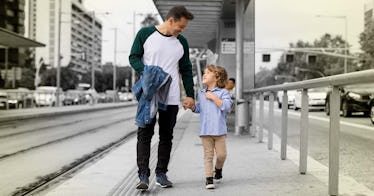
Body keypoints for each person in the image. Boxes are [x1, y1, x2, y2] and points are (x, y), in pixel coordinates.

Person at [129, 5, 195, 190]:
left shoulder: (181, 42)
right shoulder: (145, 34)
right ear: (171, 20)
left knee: (166, 136)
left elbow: (186, 70)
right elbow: (134, 57)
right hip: (149, 94)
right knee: (145, 134)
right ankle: (143, 175)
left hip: (171, 96)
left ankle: (161, 174)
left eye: (183, 28)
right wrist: (147, 72)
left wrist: (190, 95)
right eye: (180, 27)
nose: (181, 31)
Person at [189, 65, 232, 189]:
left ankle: (218, 169)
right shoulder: (201, 93)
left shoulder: (223, 92)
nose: (204, 74)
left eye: (208, 73)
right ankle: (209, 179)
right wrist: (191, 106)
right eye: (204, 72)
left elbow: (226, 106)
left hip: (219, 131)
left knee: (222, 155)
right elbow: (199, 108)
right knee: (208, 156)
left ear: (217, 77)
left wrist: (213, 97)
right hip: (205, 131)